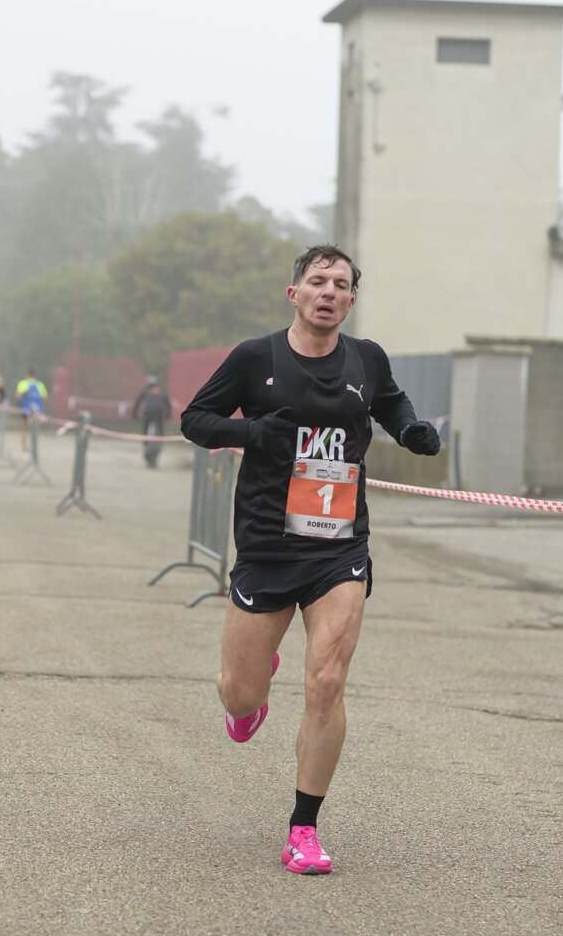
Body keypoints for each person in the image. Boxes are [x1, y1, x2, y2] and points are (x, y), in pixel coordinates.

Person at [179, 244, 439, 876]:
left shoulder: (366, 358)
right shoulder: (255, 358)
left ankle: (304, 829)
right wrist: (252, 432)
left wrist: (409, 430)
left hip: (339, 545)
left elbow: (390, 401)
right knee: (239, 694)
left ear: (350, 301)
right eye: (318, 281)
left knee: (326, 680)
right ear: (293, 293)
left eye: (341, 284)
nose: (329, 292)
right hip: (267, 546)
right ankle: (252, 689)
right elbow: (196, 420)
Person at [132, 374, 173, 468]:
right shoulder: (162, 392)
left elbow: (137, 403)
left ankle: (145, 444)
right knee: (161, 429)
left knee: (145, 429)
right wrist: (168, 416)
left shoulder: (145, 391)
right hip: (159, 414)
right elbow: (168, 405)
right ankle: (161, 442)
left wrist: (134, 415)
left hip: (149, 414)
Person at [13, 368, 47, 453]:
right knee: (35, 428)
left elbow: (17, 395)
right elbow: (45, 397)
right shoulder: (40, 384)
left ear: (27, 375)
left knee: (24, 428)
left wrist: (21, 401)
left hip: (26, 409)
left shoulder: (24, 383)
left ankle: (24, 447)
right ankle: (34, 448)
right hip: (37, 410)